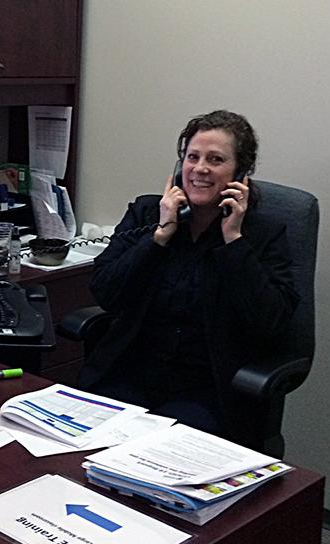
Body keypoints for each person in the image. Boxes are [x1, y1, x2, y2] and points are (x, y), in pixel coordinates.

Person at [78, 110, 299, 445]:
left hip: (208, 391)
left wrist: (233, 241)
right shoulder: (147, 214)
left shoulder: (262, 235)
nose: (200, 169)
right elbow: (106, 292)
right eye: (192, 157)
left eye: (216, 159)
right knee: (82, 455)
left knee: (159, 461)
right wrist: (160, 235)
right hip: (130, 375)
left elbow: (270, 322)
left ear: (240, 172)